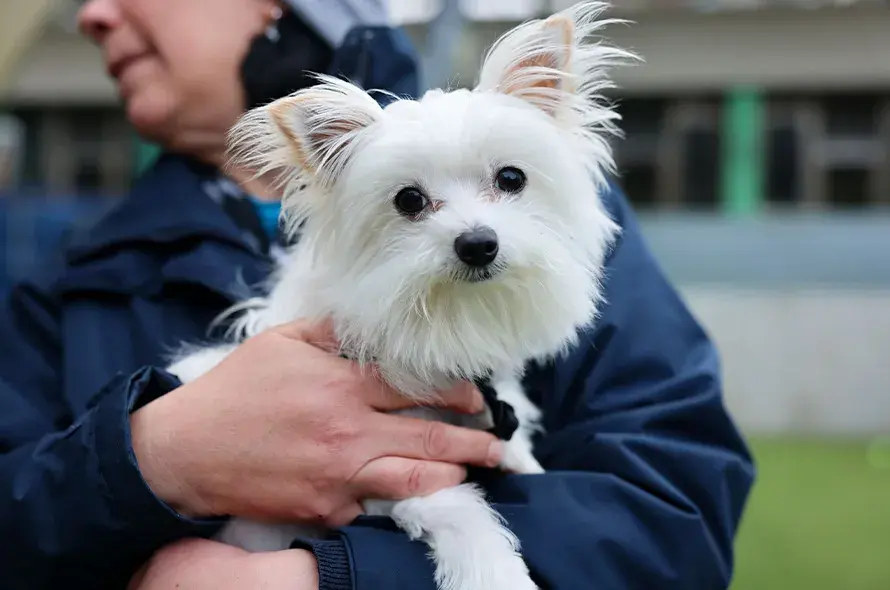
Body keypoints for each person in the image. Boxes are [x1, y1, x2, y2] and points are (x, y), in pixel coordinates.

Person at [0, 0, 755, 589]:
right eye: (410, 204)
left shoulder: (577, 228)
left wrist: (320, 579)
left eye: (508, 185)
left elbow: (676, 517)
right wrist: (153, 458)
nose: (92, 14)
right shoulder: (65, 280)